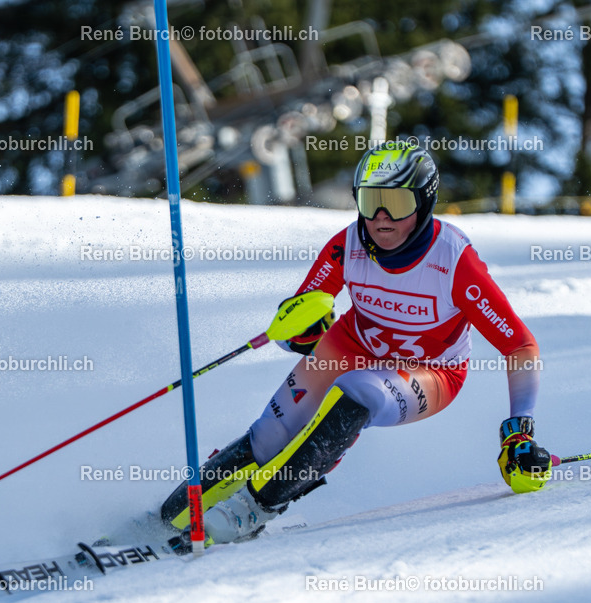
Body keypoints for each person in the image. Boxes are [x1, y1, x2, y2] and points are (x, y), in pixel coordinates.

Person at [160, 142, 550, 552]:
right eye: (370, 201)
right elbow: (302, 314)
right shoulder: (346, 245)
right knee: (269, 434)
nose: (381, 218)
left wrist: (518, 431)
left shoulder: (454, 261)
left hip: (431, 370)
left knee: (359, 394)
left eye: (396, 203)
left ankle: (254, 508)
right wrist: (302, 332)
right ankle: (166, 516)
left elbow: (519, 345)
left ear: (424, 201)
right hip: (351, 342)